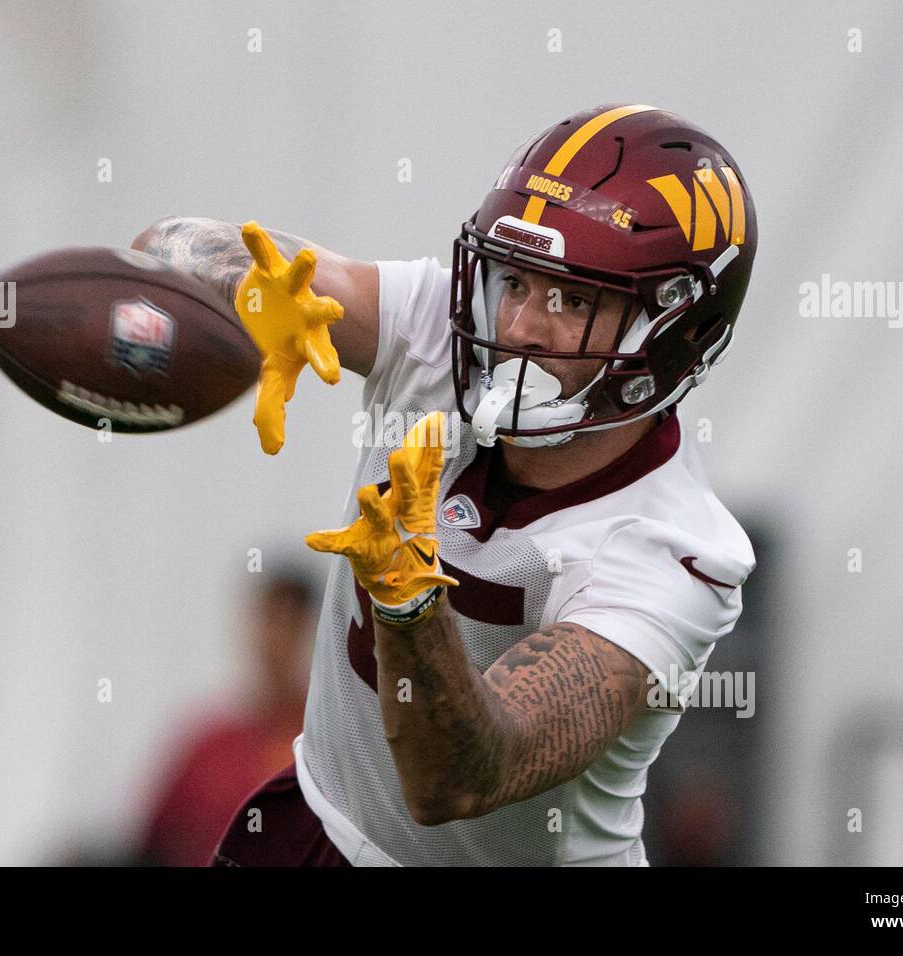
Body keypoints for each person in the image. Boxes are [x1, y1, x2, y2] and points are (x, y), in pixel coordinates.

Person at [135, 104, 758, 866]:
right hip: (318, 830)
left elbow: (459, 778)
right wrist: (236, 291)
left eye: (574, 299)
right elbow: (162, 253)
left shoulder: (667, 555)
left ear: (678, 332)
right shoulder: (437, 329)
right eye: (516, 281)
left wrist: (409, 603)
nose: (523, 324)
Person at [140, 569, 317, 866]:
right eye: (268, 622)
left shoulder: (330, 751)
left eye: (291, 626)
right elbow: (149, 843)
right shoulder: (208, 749)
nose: (276, 643)